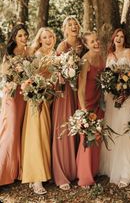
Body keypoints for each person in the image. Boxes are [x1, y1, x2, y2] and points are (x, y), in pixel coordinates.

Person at [99, 29, 130, 187]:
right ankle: (112, 168)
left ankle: (126, 171)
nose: (119, 38)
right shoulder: (109, 55)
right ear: (113, 38)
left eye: (122, 37)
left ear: (125, 40)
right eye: (116, 36)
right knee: (113, 130)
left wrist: (123, 92)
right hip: (111, 99)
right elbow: (106, 78)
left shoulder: (128, 52)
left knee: (125, 131)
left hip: (126, 97)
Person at [21, 27, 56, 195]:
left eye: (50, 36)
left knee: (45, 136)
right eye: (44, 37)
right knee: (36, 137)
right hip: (37, 101)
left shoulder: (55, 55)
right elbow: (30, 80)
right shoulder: (37, 56)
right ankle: (36, 179)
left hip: (49, 100)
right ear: (40, 40)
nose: (48, 39)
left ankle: (39, 172)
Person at [52, 16, 84, 190]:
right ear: (65, 29)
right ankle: (63, 173)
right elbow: (58, 72)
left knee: (81, 125)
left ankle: (80, 170)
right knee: (65, 126)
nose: (73, 27)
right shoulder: (62, 46)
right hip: (66, 91)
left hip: (81, 89)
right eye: (70, 25)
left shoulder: (83, 44)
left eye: (75, 24)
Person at [0, 24, 31, 186]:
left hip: (25, 95)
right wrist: (13, 82)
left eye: (25, 35)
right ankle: (3, 174)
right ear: (14, 38)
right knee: (10, 132)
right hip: (12, 96)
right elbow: (5, 77)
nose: (23, 38)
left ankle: (18, 172)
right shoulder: (9, 55)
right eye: (20, 36)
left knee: (21, 131)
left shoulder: (29, 53)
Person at [76, 32, 105, 187]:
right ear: (86, 44)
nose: (96, 43)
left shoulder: (101, 57)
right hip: (87, 102)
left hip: (98, 100)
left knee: (97, 136)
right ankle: (84, 177)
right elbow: (80, 90)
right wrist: (83, 111)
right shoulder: (85, 61)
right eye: (92, 42)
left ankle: (93, 170)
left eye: (97, 40)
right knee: (86, 138)